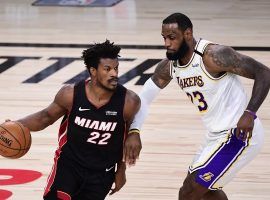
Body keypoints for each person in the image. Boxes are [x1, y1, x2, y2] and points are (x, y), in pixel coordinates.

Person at [124, 13, 270, 200]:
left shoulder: (214, 55)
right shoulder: (170, 66)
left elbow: (263, 73)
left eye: (172, 37)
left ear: (187, 34)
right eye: (164, 38)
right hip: (214, 136)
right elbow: (144, 96)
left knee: (189, 192)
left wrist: (250, 113)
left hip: (239, 134)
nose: (167, 43)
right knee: (206, 193)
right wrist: (134, 131)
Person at [14, 40, 141, 200]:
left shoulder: (129, 102)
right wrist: (15, 124)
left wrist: (121, 170)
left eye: (116, 68)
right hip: (68, 166)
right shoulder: (70, 94)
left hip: (102, 173)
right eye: (107, 69)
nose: (114, 74)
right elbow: (44, 117)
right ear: (93, 71)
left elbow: (126, 139)